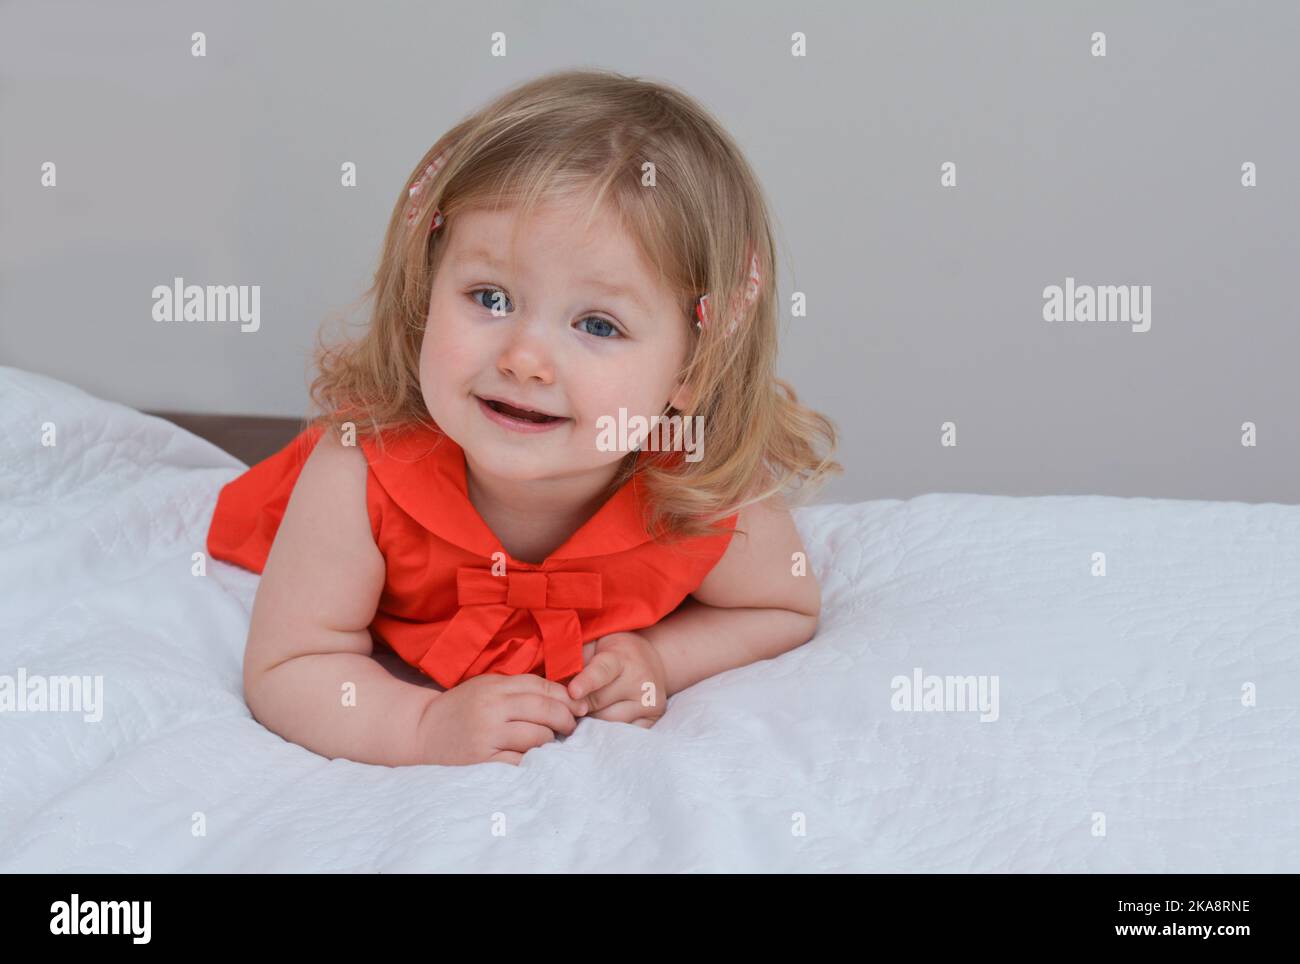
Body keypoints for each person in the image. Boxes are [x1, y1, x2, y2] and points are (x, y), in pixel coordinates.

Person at [207, 67, 841, 767]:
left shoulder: (701, 491)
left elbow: (783, 608)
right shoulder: (358, 472)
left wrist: (658, 659)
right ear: (424, 294)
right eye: (491, 297)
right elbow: (290, 664)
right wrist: (421, 725)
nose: (525, 360)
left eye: (597, 324)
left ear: (693, 369)